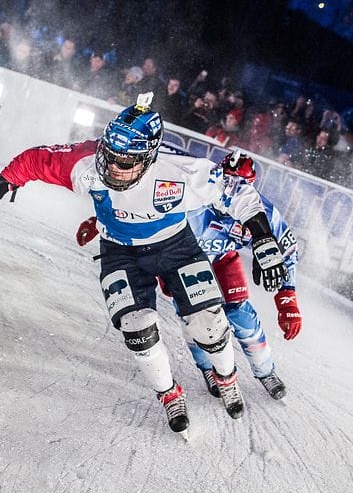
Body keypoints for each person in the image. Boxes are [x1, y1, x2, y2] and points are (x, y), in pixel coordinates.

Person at [0, 93, 291, 437]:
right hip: (119, 251)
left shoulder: (178, 171)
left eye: (126, 161)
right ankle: (169, 394)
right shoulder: (87, 162)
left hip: (177, 247)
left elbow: (240, 194)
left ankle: (227, 378)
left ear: (150, 158)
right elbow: (33, 161)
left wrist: (264, 239)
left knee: (208, 326)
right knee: (138, 331)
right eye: (110, 155)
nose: (113, 167)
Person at [75, 151, 303, 400]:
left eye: (240, 187)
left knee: (240, 314)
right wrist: (100, 221)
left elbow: (287, 248)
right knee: (194, 317)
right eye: (226, 182)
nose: (229, 193)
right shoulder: (192, 191)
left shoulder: (262, 211)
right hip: (181, 259)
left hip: (222, 260)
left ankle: (265, 370)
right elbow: (138, 202)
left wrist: (287, 296)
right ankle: (209, 368)